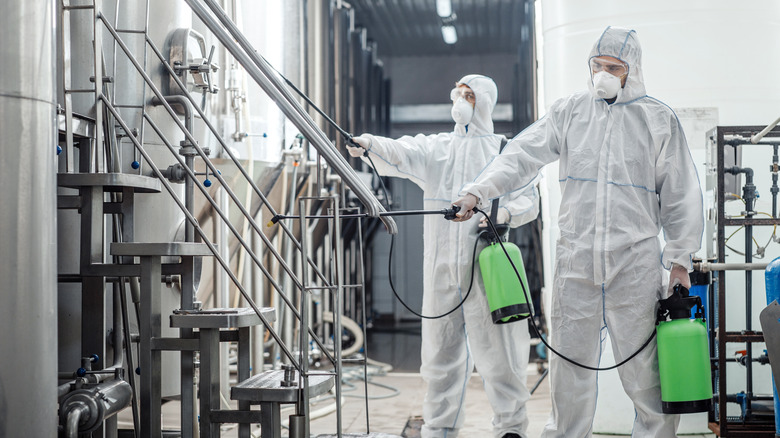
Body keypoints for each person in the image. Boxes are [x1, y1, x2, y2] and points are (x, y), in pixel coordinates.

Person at [454, 27, 703, 437]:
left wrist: (679, 260)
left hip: (634, 265)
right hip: (576, 263)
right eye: (597, 65)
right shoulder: (570, 111)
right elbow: (520, 154)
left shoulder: (657, 119)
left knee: (646, 375)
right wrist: (477, 192)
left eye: (613, 67)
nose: (602, 74)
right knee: (569, 372)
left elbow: (681, 195)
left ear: (631, 71)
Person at [347, 74, 539, 438]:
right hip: (441, 269)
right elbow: (404, 151)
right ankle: (439, 428)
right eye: (457, 94)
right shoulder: (439, 148)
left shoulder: (504, 150)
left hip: (489, 269)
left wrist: (502, 215)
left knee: (501, 356)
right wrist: (369, 144)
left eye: (468, 95)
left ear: (484, 102)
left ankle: (511, 427)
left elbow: (529, 200)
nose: (460, 101)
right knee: (439, 356)